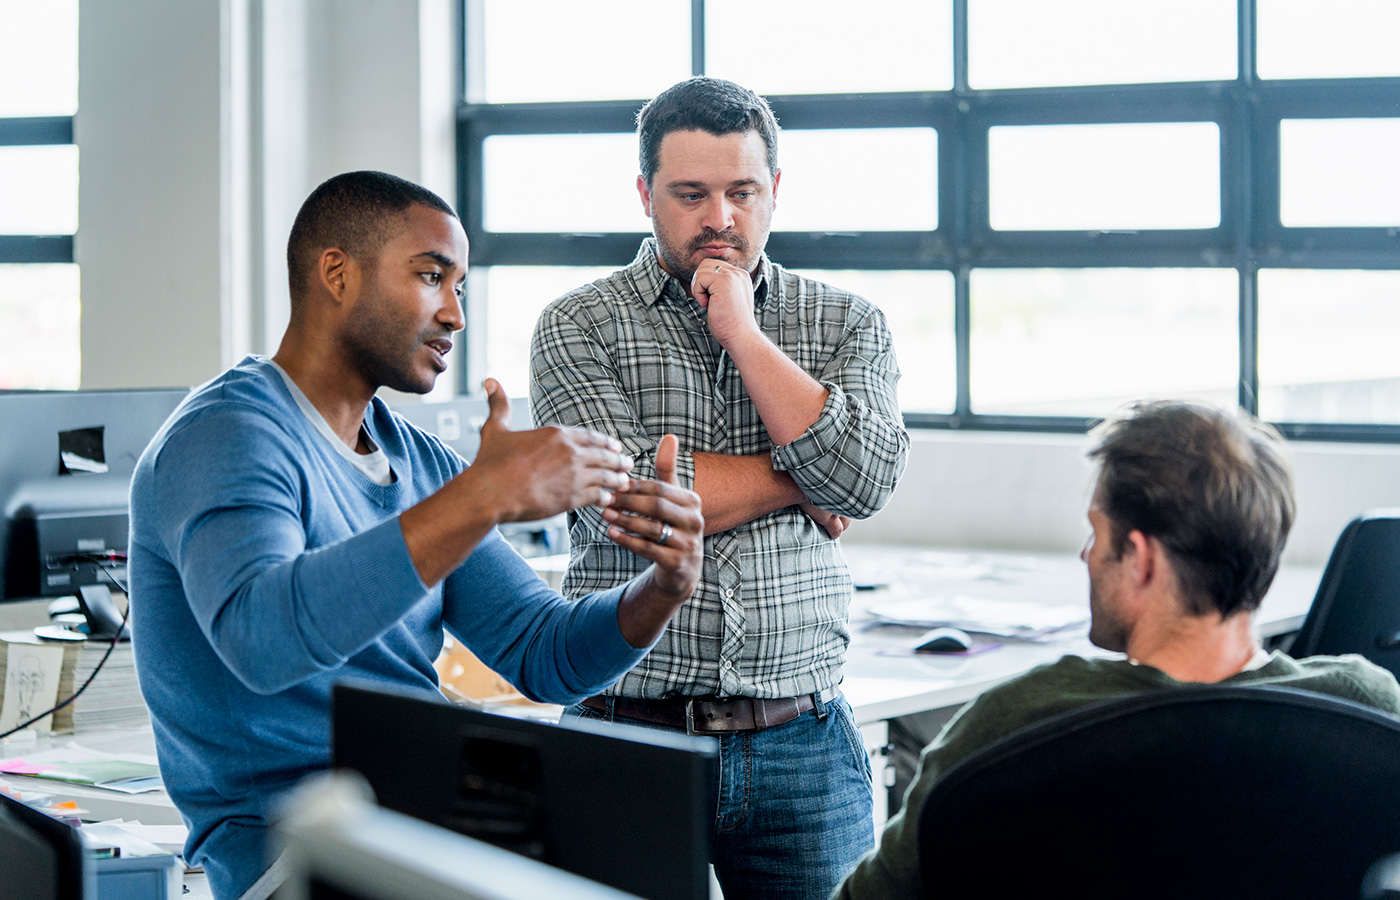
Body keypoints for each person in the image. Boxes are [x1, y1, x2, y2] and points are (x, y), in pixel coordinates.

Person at [128, 171, 704, 900]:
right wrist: (483, 495)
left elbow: (545, 655)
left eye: (459, 285)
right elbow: (263, 641)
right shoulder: (227, 435)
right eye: (432, 277)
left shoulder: (417, 458)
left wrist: (664, 586)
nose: (455, 315)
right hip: (298, 852)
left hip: (427, 819)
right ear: (335, 273)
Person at [528, 77, 909, 900]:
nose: (721, 219)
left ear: (775, 192)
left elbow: (865, 480)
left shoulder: (844, 323)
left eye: (743, 192)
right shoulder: (577, 324)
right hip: (624, 741)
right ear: (645, 195)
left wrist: (741, 329)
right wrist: (803, 470)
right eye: (691, 194)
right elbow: (626, 501)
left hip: (802, 742)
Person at [833, 399, 1400, 900]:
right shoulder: (1370, 708)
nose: (1085, 556)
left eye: (1096, 534)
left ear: (1141, 558)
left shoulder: (1018, 723)